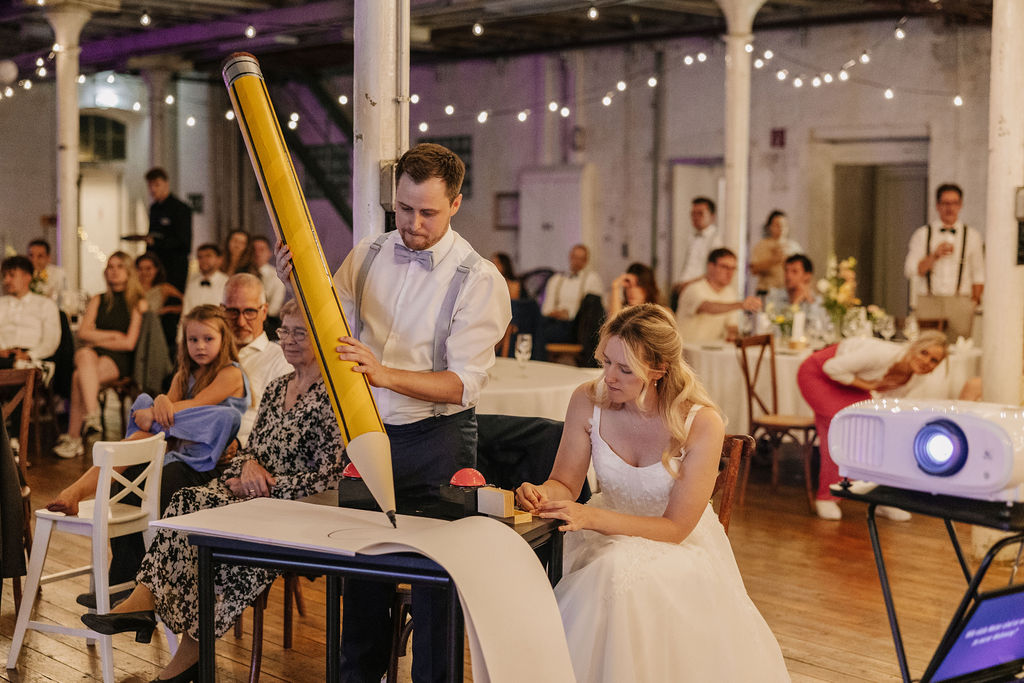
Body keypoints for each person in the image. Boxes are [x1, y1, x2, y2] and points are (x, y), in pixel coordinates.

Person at [277, 142, 510, 683]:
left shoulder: (479, 279)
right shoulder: (368, 254)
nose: (413, 224)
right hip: (367, 433)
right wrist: (298, 287)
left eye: (428, 212)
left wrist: (383, 373)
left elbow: (463, 384)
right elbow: (328, 332)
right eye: (404, 209)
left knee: (435, 594)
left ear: (455, 204)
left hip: (439, 442)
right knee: (360, 585)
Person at [515, 304, 788, 682]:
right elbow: (565, 481)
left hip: (676, 544)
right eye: (606, 362)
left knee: (614, 573)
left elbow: (676, 527)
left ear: (659, 369)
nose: (609, 377)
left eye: (625, 369)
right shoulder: (588, 400)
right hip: (599, 537)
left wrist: (591, 516)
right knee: (603, 569)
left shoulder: (700, 422)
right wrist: (542, 492)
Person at [79, 300, 344, 683]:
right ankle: (144, 600)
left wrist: (267, 486)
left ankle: (183, 654)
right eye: (284, 331)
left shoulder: (335, 396)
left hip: (298, 508)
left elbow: (331, 476)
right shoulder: (276, 388)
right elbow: (251, 449)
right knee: (188, 503)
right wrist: (246, 468)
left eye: (299, 333)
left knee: (225, 548)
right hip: (252, 494)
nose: (288, 340)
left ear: (322, 337)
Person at [47, 304, 249, 586]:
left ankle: (81, 493)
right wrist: (160, 404)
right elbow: (168, 417)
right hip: (175, 451)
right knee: (125, 481)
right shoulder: (183, 375)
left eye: (208, 339)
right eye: (193, 340)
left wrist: (157, 410)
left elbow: (195, 407)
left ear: (223, 339)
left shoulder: (231, 373)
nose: (200, 346)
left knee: (218, 416)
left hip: (209, 459)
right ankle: (122, 580)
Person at [797, 330, 949, 520]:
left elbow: (888, 401)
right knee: (840, 429)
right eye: (924, 353)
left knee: (880, 435)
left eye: (934, 360)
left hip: (851, 384)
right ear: (913, 348)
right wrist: (868, 386)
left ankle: (882, 498)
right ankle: (827, 497)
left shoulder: (917, 377)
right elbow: (831, 367)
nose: (926, 361)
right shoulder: (882, 354)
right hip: (819, 375)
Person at [54, 252, 147, 459]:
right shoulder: (99, 299)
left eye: (119, 266)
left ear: (129, 271)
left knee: (78, 376)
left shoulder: (137, 302)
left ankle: (75, 438)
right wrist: (113, 335)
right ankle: (92, 413)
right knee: (84, 354)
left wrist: (96, 339)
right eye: (110, 267)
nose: (113, 271)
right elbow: (83, 333)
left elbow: (129, 343)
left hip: (120, 358)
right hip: (95, 355)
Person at [222, 273, 292, 446]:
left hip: (248, 451)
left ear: (264, 311)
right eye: (233, 312)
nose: (241, 322)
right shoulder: (207, 353)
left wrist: (240, 443)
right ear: (221, 310)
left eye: (249, 312)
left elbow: (283, 425)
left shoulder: (282, 359)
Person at [904, 183, 984, 307]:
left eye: (954, 203)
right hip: (929, 301)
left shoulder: (972, 236)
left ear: (960, 205)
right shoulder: (922, 234)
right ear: (937, 205)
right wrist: (934, 256)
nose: (950, 208)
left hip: (961, 301)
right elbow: (910, 270)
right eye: (945, 203)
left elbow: (978, 273)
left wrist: (974, 302)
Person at [675, 247, 762, 343]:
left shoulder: (730, 293)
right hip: (686, 348)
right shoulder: (693, 289)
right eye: (725, 267)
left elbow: (731, 325)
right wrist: (741, 305)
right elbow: (708, 307)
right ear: (711, 267)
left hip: (712, 348)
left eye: (733, 268)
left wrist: (734, 334)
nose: (730, 273)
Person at [0, 255, 60, 369]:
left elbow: (50, 342)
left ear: (27, 277)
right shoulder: (1, 304)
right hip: (3, 359)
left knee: (26, 369)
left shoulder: (45, 305)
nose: (6, 280)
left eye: (12, 275)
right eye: (4, 276)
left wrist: (29, 355)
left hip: (33, 360)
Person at [145, 167, 193, 293]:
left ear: (166, 184)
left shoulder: (180, 208)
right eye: (150, 186)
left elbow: (184, 242)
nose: (153, 189)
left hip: (174, 267)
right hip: (156, 265)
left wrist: (157, 242)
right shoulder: (154, 208)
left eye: (157, 185)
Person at [672, 196, 723, 300]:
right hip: (684, 287)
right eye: (693, 214)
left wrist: (689, 284)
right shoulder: (692, 237)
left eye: (700, 214)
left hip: (700, 290)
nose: (695, 217)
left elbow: (714, 271)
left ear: (712, 216)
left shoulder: (716, 239)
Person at [178, 243, 228, 342]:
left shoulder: (227, 283)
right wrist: (180, 339)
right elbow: (185, 312)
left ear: (219, 259)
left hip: (218, 337)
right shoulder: (191, 283)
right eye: (200, 257)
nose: (203, 260)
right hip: (192, 337)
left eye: (208, 256)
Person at [136, 252, 183, 353]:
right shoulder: (132, 288)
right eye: (140, 269)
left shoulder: (163, 288)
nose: (144, 272)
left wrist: (168, 309)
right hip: (132, 331)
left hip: (152, 332)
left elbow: (186, 302)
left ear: (156, 269)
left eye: (148, 268)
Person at [749, 210, 802, 295]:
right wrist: (773, 260)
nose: (781, 228)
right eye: (777, 225)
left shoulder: (794, 247)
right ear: (769, 227)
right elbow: (753, 269)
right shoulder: (762, 245)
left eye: (784, 225)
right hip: (766, 290)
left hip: (788, 291)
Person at [251, 235, 285, 324]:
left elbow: (275, 307)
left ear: (269, 253)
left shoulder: (276, 275)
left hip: (269, 321)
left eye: (261, 250)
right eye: (253, 250)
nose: (257, 253)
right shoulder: (243, 273)